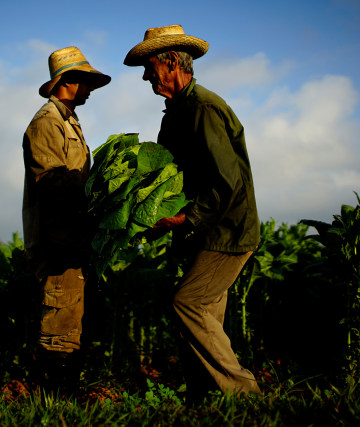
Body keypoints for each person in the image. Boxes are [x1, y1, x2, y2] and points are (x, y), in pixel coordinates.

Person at [124, 25, 262, 403]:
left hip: (225, 231)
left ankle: (246, 397)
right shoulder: (177, 113)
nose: (145, 76)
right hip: (205, 233)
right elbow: (173, 179)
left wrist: (185, 219)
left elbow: (225, 183)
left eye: (149, 66)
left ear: (170, 63)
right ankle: (204, 400)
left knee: (189, 304)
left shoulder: (202, 108)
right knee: (204, 319)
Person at [22, 46, 110, 394]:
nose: (89, 89)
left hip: (73, 241)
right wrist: (98, 195)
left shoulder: (68, 120)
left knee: (72, 321)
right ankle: (54, 403)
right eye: (85, 82)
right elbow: (54, 182)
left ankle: (65, 400)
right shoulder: (46, 122)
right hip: (57, 243)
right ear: (68, 82)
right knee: (60, 324)